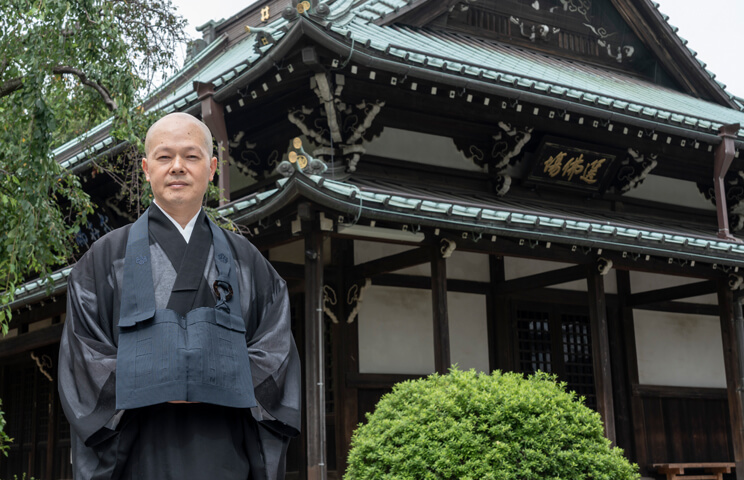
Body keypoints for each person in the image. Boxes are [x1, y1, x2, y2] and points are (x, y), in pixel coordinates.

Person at [58, 112, 301, 480]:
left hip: (225, 448)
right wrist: (170, 376)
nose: (177, 167)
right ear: (145, 168)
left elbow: (276, 350)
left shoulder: (247, 260)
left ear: (212, 167)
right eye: (164, 156)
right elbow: (84, 354)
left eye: (191, 156)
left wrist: (204, 377)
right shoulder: (105, 258)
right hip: (136, 450)